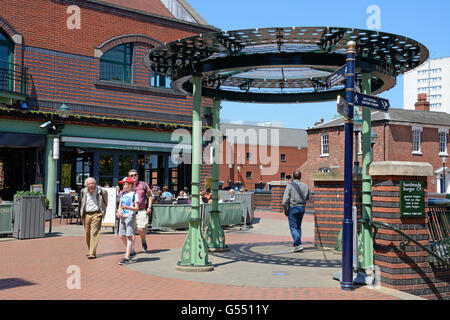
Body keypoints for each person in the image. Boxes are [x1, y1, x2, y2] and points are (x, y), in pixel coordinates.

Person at [79, 177, 108, 259]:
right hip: (86, 214)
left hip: (97, 213)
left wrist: (102, 210)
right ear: (86, 185)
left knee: (94, 232)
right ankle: (91, 250)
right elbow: (81, 203)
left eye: (92, 183)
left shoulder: (102, 191)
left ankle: (91, 252)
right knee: (87, 233)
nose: (91, 185)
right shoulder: (83, 191)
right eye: (89, 184)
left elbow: (106, 201)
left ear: (95, 184)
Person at [282, 169, 311, 253]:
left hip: (293, 208)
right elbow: (309, 198)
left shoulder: (290, 186)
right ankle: (297, 245)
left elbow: (284, 201)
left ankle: (298, 243)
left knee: (293, 227)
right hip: (302, 208)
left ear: (293, 176)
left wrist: (285, 209)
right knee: (298, 226)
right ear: (300, 176)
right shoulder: (305, 186)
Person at [128, 169, 152, 252]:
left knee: (141, 229)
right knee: (132, 231)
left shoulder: (144, 185)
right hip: (130, 211)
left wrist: (149, 207)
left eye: (135, 175)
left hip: (141, 210)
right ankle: (132, 249)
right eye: (131, 175)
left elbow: (150, 196)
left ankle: (143, 239)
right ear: (129, 177)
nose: (134, 176)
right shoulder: (127, 186)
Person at [117, 177, 139, 265]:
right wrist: (118, 211)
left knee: (128, 236)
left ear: (130, 185)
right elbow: (120, 205)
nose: (123, 185)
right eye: (122, 184)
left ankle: (127, 256)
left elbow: (136, 208)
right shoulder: (123, 194)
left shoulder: (134, 195)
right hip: (122, 217)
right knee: (121, 236)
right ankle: (130, 250)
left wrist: (128, 207)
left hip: (130, 216)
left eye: (124, 184)